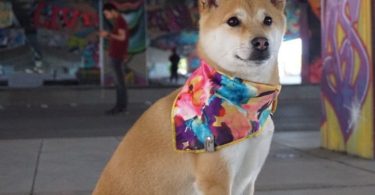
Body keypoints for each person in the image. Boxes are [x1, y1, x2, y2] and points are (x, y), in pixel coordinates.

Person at [99, 3, 129, 115]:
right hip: (117, 55)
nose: (106, 16)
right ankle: (120, 106)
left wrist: (108, 35)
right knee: (119, 82)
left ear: (112, 11)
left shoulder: (120, 21)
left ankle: (120, 106)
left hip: (117, 56)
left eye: (107, 13)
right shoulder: (119, 21)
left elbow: (122, 37)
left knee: (119, 83)